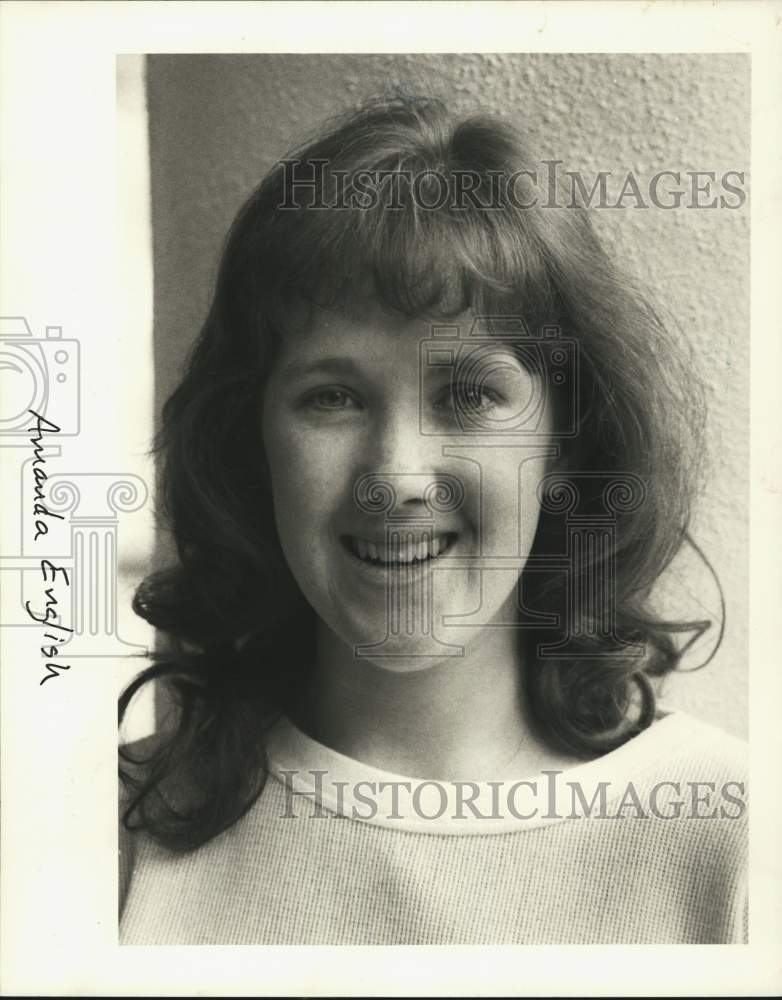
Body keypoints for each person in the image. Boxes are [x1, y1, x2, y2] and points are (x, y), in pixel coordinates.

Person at [118, 95, 747, 945]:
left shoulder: (734, 838)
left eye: (469, 394)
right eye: (332, 396)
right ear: (251, 439)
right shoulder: (108, 841)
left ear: (565, 441)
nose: (396, 478)